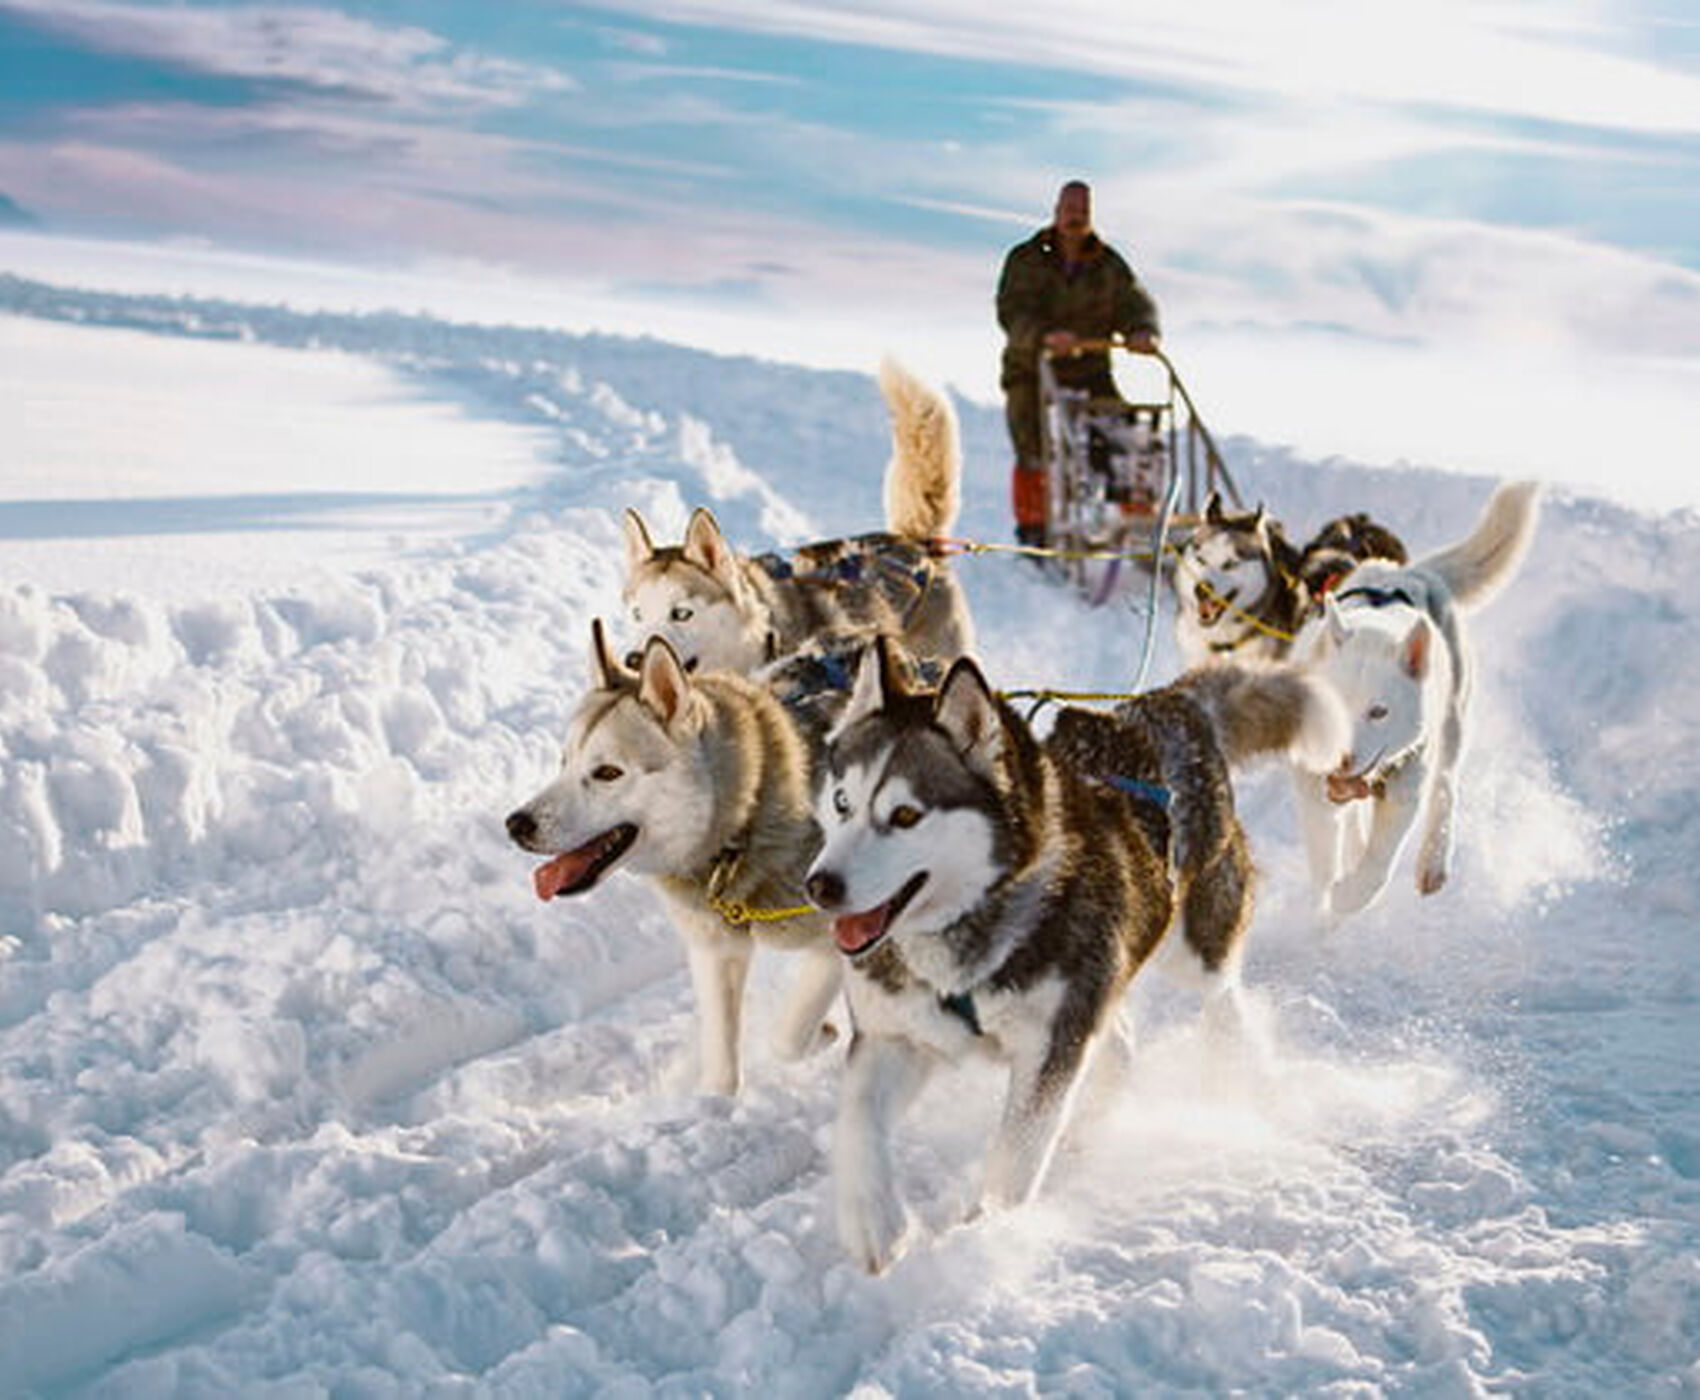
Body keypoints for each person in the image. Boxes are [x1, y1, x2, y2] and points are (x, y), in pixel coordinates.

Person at [996, 180, 1161, 548]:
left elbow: (1135, 302)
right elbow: (1011, 312)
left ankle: (1138, 520)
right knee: (1032, 443)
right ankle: (1034, 530)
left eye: (1082, 212)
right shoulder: (1027, 259)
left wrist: (1143, 331)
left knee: (1124, 432)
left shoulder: (1107, 265)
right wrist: (1045, 336)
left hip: (1090, 369)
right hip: (1032, 369)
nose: (1075, 218)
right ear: (1057, 211)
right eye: (1070, 210)